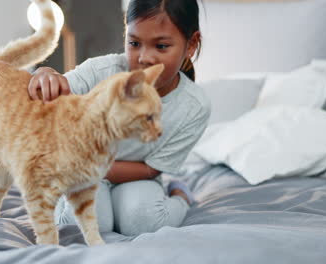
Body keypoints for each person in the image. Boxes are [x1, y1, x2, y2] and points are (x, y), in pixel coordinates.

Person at [28, 0, 210, 236]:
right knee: (82, 224)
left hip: (136, 175)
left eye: (161, 46)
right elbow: (58, 87)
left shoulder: (193, 108)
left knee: (144, 221)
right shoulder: (101, 72)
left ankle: (180, 194)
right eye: (134, 43)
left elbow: (151, 169)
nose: (145, 58)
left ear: (191, 44)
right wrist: (45, 73)